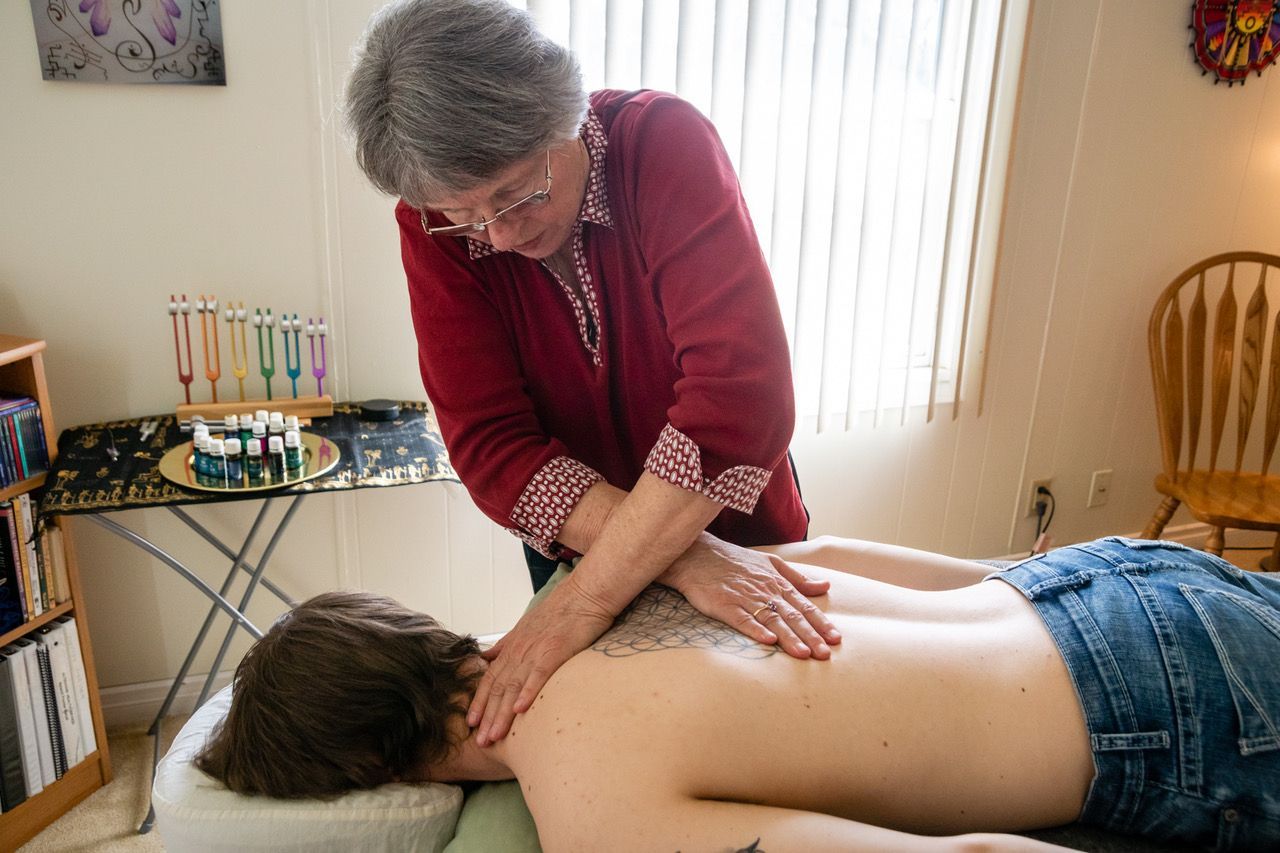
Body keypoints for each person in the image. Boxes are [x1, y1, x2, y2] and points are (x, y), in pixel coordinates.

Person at [342, 0, 839, 747]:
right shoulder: (433, 220)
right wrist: (669, 560)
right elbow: (490, 445)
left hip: (733, 525)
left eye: (517, 192)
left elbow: (741, 396)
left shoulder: (662, 143)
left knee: (783, 729)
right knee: (617, 735)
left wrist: (585, 599)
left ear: (562, 116)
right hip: (593, 539)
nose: (500, 235)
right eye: (468, 216)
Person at [196, 536, 1280, 851]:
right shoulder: (604, 579)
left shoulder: (591, 804)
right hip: (1104, 578)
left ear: (364, 771)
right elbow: (829, 554)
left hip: (1167, 715)